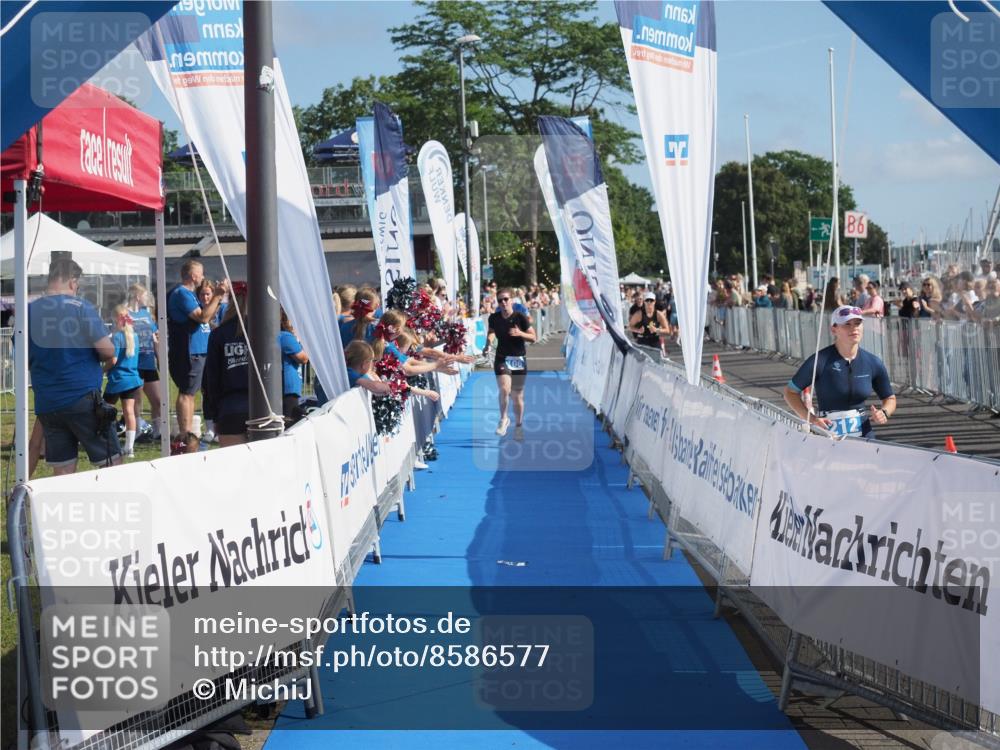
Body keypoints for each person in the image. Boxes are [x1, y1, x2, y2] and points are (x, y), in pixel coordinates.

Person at [27, 258, 121, 474]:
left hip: (47, 402)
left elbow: (22, 355)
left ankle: (63, 507)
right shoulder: (80, 307)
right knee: (111, 464)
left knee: (62, 469)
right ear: (71, 281)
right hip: (82, 397)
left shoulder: (28, 311)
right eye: (77, 284)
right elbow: (108, 351)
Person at [783, 305, 896, 438]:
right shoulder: (820, 360)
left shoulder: (873, 362)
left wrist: (884, 412)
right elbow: (790, 392)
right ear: (834, 329)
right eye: (847, 324)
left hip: (864, 434)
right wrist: (811, 419)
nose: (854, 328)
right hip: (829, 435)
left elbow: (890, 398)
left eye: (857, 323)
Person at [167, 260, 227, 437]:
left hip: (197, 351)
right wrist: (217, 295)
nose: (202, 276)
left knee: (191, 393)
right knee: (187, 392)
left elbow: (207, 316)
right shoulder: (182, 294)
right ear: (193, 276)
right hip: (188, 351)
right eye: (201, 273)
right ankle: (185, 434)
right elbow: (203, 318)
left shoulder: (190, 295)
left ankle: (188, 433)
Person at [202, 282, 249, 447]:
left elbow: (211, 380)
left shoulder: (219, 334)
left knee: (234, 468)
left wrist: (214, 415)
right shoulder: (264, 330)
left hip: (230, 409)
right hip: (264, 408)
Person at [486, 288, 537, 438]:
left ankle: (519, 425)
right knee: (504, 389)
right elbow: (491, 332)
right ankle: (503, 419)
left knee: (517, 397)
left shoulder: (520, 317)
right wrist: (488, 343)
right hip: (502, 357)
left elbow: (534, 337)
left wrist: (520, 333)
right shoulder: (494, 318)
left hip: (518, 359)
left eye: (506, 299)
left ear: (512, 300)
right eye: (500, 300)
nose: (503, 302)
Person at [103, 305, 144, 458]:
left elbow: (113, 360)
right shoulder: (135, 336)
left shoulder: (117, 336)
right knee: (129, 413)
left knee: (105, 413)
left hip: (117, 380)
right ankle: (129, 448)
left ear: (115, 318)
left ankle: (108, 444)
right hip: (132, 379)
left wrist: (102, 370)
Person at [127, 283, 161, 440]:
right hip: (134, 363)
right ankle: (137, 429)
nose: (148, 298)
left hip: (148, 363)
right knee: (136, 399)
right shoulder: (125, 314)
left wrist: (160, 358)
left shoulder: (146, 314)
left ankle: (158, 430)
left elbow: (154, 337)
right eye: (145, 295)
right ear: (137, 296)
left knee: (158, 399)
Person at [279, 308, 309, 425]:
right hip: (289, 389)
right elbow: (303, 358)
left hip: (287, 388)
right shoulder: (286, 337)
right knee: (290, 421)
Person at [629, 292, 669, 356]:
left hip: (655, 340)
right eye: (647, 300)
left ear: (654, 301)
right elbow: (630, 326)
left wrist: (657, 330)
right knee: (642, 364)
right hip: (643, 340)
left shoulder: (659, 314)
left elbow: (667, 330)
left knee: (657, 363)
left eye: (651, 300)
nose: (649, 302)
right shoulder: (639, 314)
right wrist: (638, 330)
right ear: (644, 301)